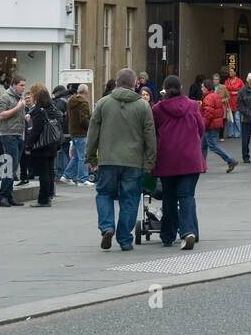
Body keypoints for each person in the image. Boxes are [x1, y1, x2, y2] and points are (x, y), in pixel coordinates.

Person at [89, 68, 157, 251]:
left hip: (107, 159)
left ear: (116, 83)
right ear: (135, 85)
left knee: (104, 193)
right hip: (133, 161)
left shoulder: (103, 103)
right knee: (130, 198)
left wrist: (90, 157)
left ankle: (107, 227)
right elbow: (150, 136)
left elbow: (93, 132)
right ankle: (125, 239)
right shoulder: (142, 106)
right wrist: (150, 161)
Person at [151, 76, 207, 248]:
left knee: (169, 198)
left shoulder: (158, 109)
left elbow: (152, 132)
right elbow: (201, 128)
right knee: (187, 196)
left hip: (167, 160)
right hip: (190, 159)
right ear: (181, 87)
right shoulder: (192, 105)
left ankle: (168, 236)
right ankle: (188, 232)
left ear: (164, 89)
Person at [23, 84, 61, 206]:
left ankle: (43, 199)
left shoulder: (39, 112)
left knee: (43, 173)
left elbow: (36, 131)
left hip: (42, 146)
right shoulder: (53, 110)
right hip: (53, 144)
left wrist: (28, 146)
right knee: (50, 171)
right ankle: (49, 194)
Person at [0, 75, 26, 206]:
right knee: (9, 166)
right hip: (8, 134)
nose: (23, 88)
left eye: (24, 85)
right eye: (21, 85)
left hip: (18, 134)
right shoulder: (5, 97)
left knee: (14, 166)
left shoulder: (19, 98)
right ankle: (2, 196)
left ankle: (9, 194)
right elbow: (0, 115)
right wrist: (18, 108)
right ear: (14, 85)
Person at [199, 79, 238, 172]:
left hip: (210, 126)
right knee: (203, 146)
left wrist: (203, 124)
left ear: (207, 87)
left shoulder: (208, 98)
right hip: (214, 124)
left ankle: (230, 160)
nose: (201, 88)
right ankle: (202, 166)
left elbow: (208, 113)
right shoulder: (214, 95)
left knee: (212, 146)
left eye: (202, 86)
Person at [61, 83, 93, 185]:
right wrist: (90, 127)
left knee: (75, 156)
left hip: (73, 132)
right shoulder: (83, 103)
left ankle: (67, 176)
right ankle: (82, 179)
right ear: (86, 92)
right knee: (82, 156)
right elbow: (84, 119)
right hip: (81, 133)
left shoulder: (71, 101)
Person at [236, 73, 251, 163]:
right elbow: (239, 104)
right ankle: (245, 156)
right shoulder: (242, 91)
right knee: (245, 140)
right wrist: (247, 113)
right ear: (249, 81)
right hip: (246, 119)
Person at [224, 69, 245, 139]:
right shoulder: (226, 81)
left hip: (237, 101)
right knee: (229, 118)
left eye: (231, 71)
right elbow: (224, 90)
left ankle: (237, 133)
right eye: (229, 71)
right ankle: (230, 133)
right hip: (229, 101)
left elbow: (243, 90)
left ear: (235, 73)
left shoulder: (239, 81)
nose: (230, 73)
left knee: (237, 118)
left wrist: (237, 92)